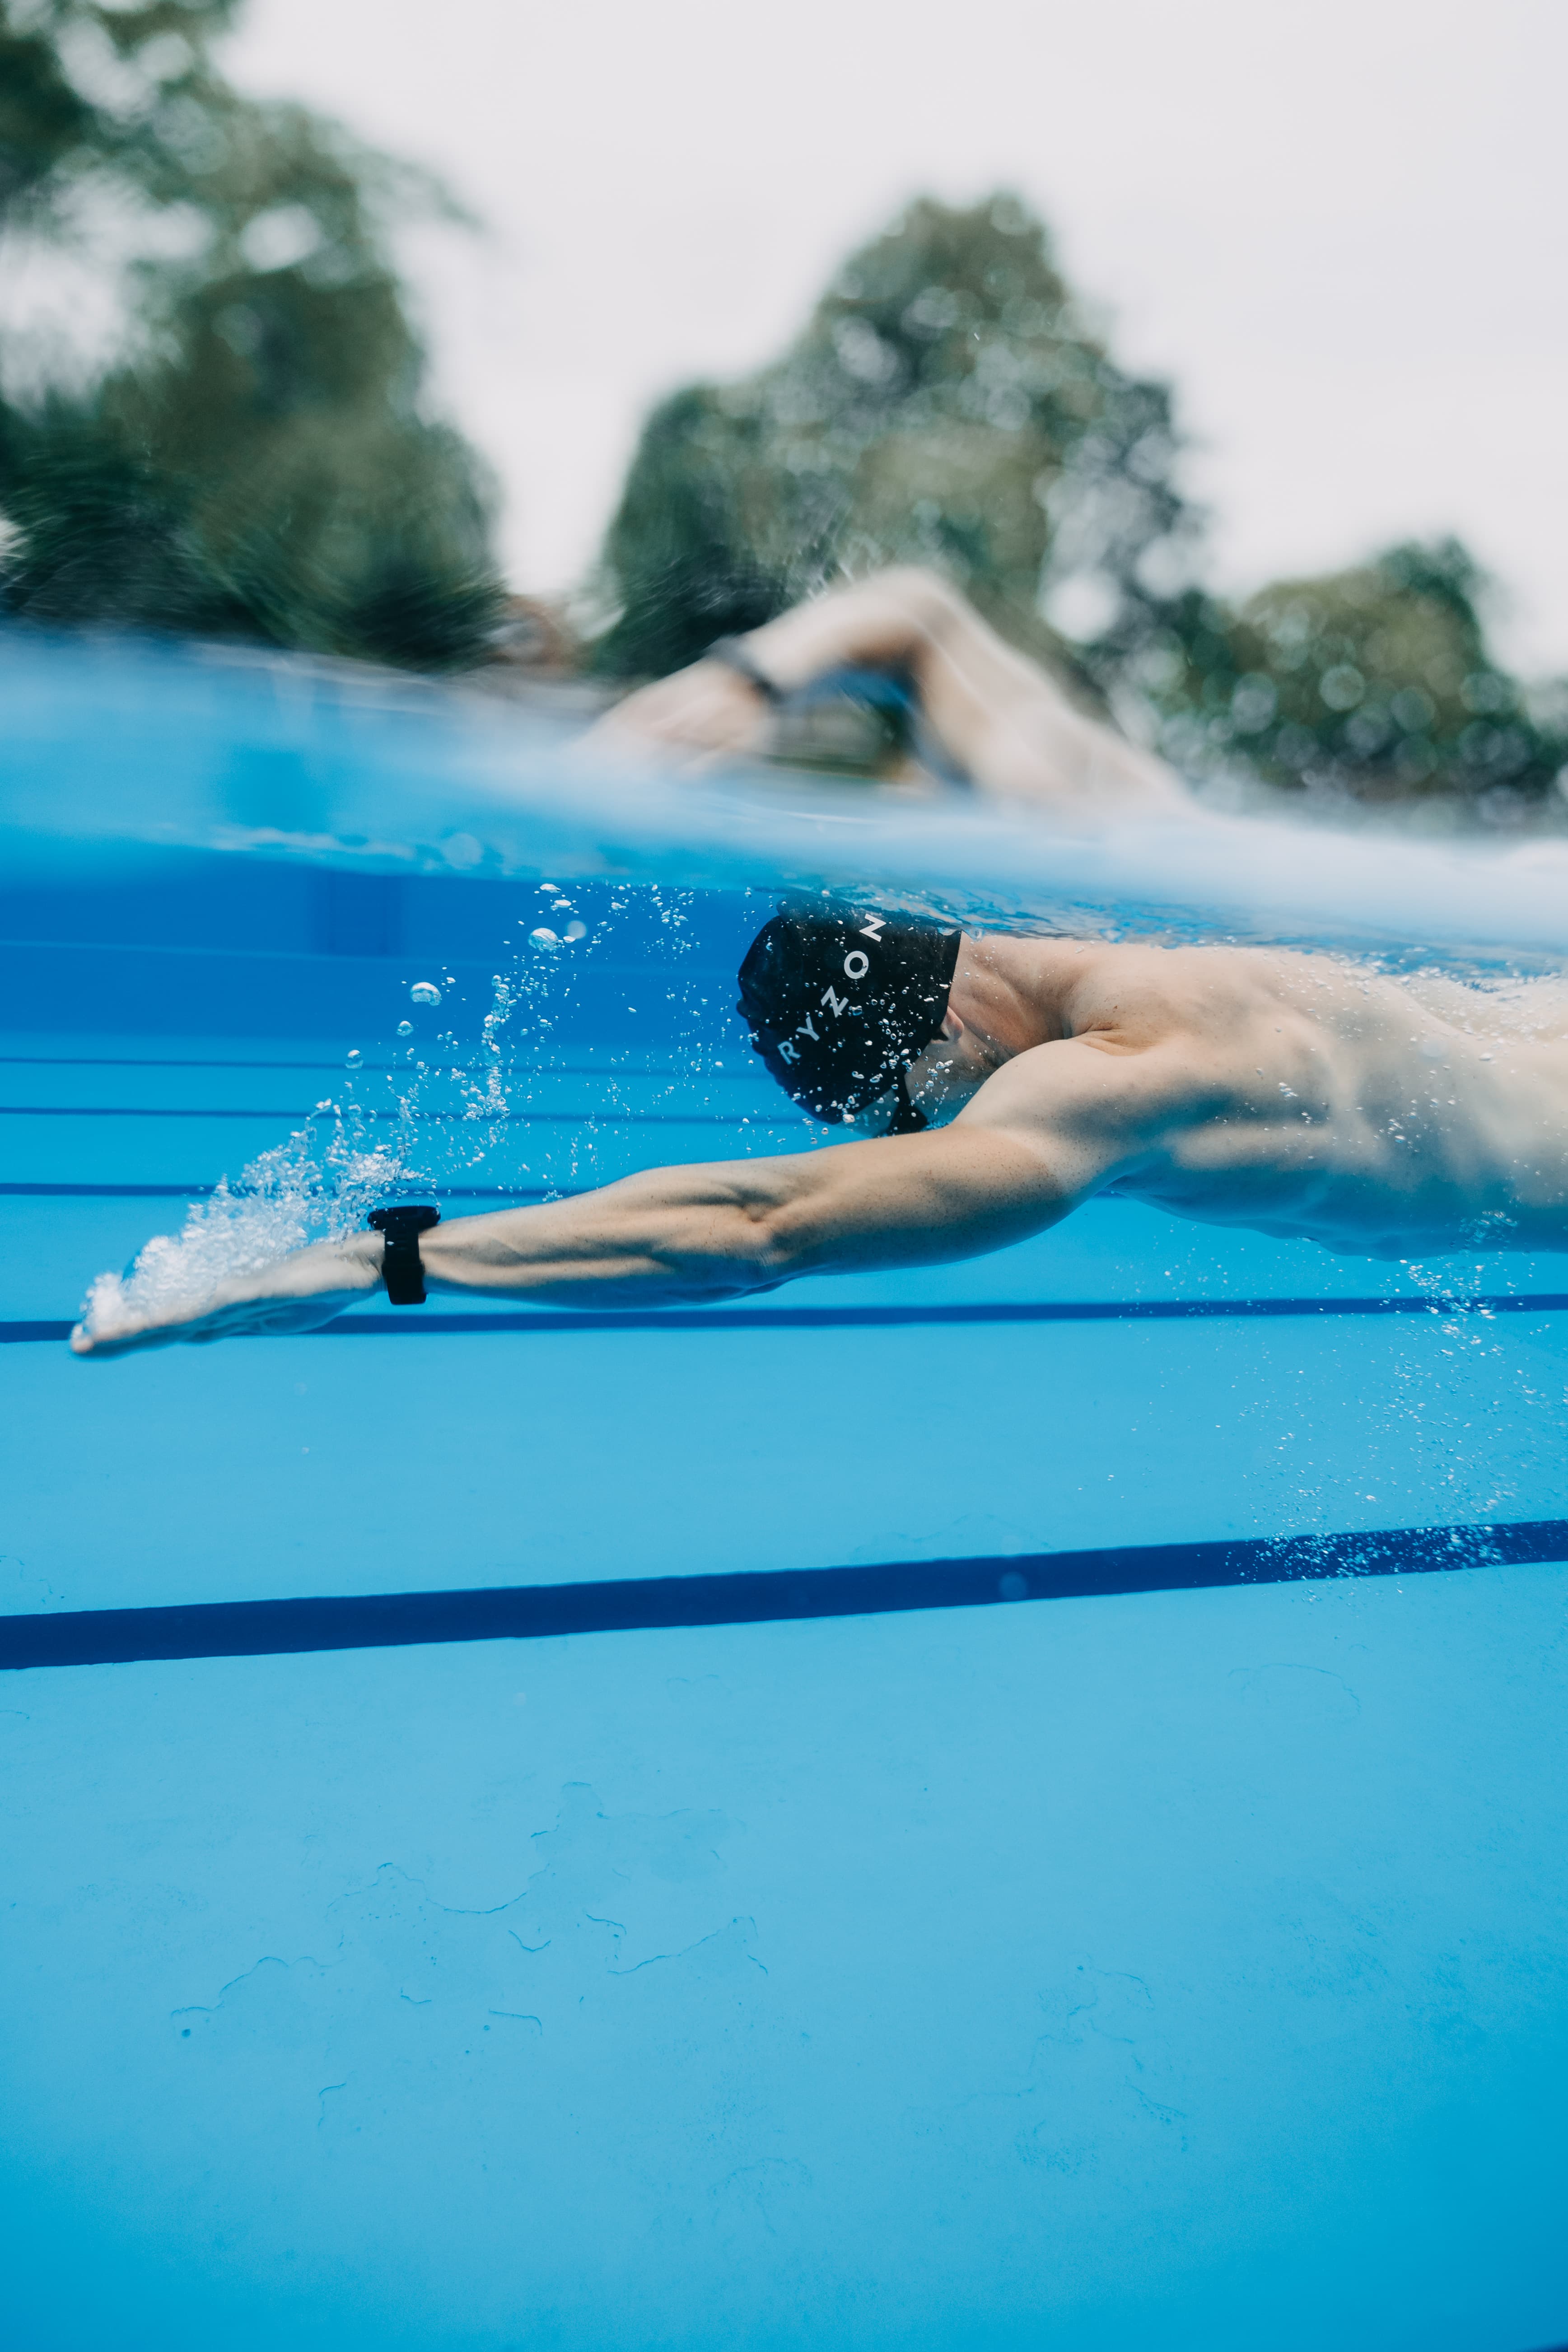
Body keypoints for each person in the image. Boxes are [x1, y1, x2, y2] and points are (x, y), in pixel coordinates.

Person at [72, 887, 1568, 1359]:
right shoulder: (1128, 944)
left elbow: (762, 1227)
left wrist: (389, 1259)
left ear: (941, 1029)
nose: (927, 1140)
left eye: (907, 1113)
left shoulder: (1116, 1069)